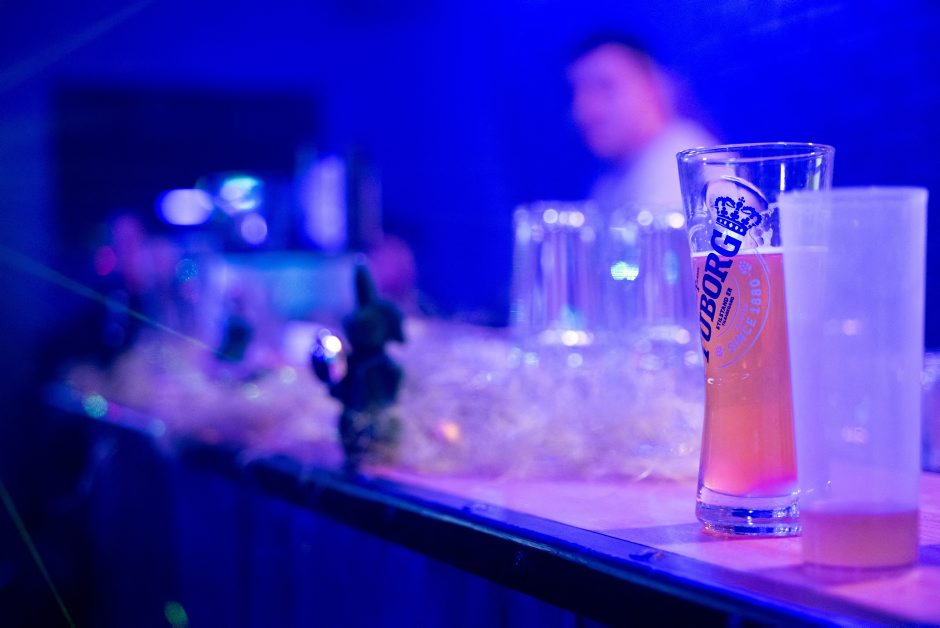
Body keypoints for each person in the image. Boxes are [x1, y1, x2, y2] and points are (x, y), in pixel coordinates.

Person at [567, 33, 718, 212]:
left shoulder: (687, 166)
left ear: (653, 86)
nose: (584, 110)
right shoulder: (611, 178)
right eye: (574, 93)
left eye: (605, 86)